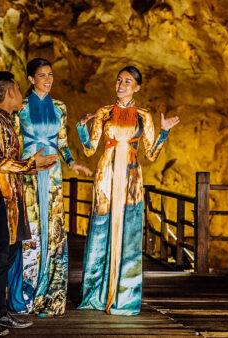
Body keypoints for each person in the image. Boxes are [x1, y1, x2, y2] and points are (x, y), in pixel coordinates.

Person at [76, 66, 180, 315]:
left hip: (132, 175)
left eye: (128, 81)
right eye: (119, 80)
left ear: (137, 87)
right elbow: (90, 149)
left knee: (129, 233)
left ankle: (125, 297)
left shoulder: (144, 115)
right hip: (107, 174)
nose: (122, 85)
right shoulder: (104, 112)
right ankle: (96, 295)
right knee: (102, 229)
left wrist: (164, 131)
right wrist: (81, 127)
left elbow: (152, 154)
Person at [0, 71, 58, 336]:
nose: (21, 95)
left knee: (8, 256)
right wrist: (30, 164)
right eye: (19, 89)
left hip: (12, 199)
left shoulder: (6, 121)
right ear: (9, 92)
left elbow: (12, 164)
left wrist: (32, 167)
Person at [7, 58, 92, 316]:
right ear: (31, 79)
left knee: (53, 231)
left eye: (50, 74)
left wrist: (73, 163)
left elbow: (63, 143)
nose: (48, 79)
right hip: (30, 172)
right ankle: (25, 295)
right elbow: (14, 145)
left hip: (53, 172)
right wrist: (24, 166)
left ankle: (49, 295)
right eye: (42, 75)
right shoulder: (19, 107)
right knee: (31, 229)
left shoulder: (60, 107)